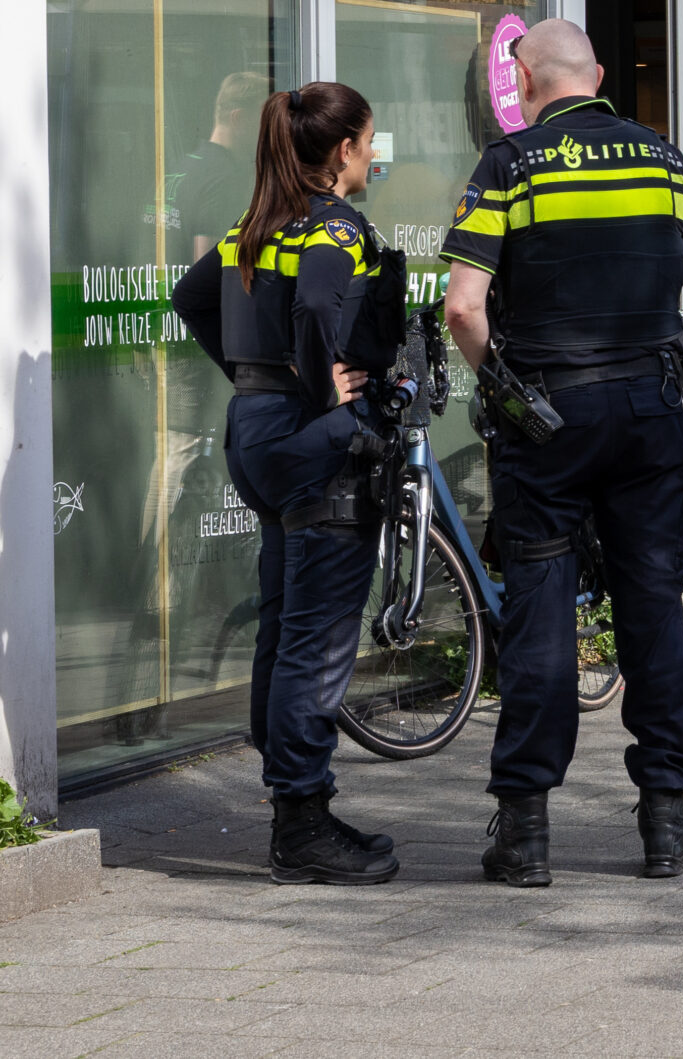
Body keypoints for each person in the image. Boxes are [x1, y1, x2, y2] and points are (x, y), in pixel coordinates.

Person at [443, 18, 683, 888]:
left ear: (524, 82)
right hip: (648, 406)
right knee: (650, 601)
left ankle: (525, 829)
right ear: (599, 73)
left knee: (539, 606)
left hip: (547, 417)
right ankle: (667, 821)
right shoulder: (665, 160)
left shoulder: (509, 164)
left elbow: (463, 306)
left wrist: (498, 386)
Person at [171, 82, 403, 885]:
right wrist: (318, 388)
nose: (373, 153)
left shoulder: (256, 222)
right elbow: (314, 303)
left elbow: (190, 296)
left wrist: (255, 376)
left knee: (286, 619)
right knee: (319, 637)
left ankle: (297, 806)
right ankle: (300, 824)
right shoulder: (333, 225)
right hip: (311, 440)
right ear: (343, 150)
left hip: (255, 430)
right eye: (368, 140)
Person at [174, 70, 269, 259]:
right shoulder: (226, 178)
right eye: (263, 121)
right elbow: (207, 269)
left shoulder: (185, 166)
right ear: (238, 118)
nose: (268, 132)